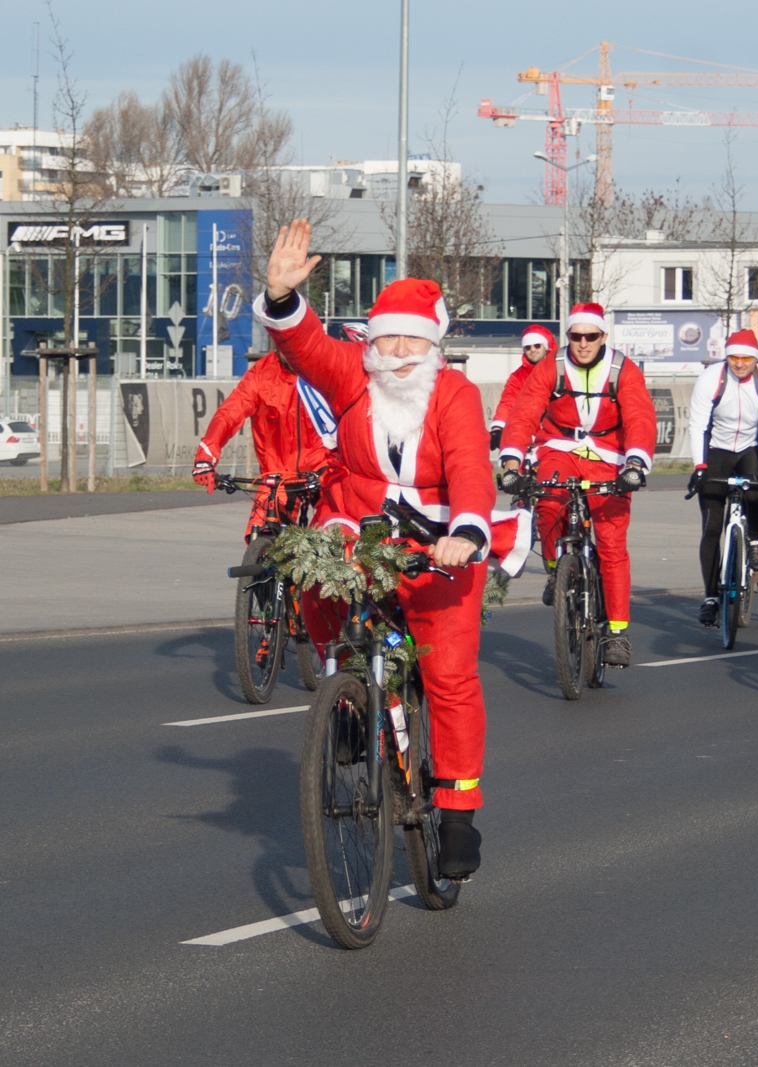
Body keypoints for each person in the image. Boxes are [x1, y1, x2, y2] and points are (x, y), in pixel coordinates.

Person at [254, 218, 496, 879]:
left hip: (439, 542)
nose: (397, 349)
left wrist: (468, 531)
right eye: (386, 335)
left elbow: (474, 465)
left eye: (412, 338)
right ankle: (350, 690)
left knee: (449, 674)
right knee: (315, 570)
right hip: (362, 530)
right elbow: (308, 347)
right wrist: (281, 299)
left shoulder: (455, 395)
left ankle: (455, 814)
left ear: (433, 344)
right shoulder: (354, 378)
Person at [498, 303, 657, 667]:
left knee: (612, 541)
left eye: (591, 337)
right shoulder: (550, 367)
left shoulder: (623, 370)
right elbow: (523, 413)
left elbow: (639, 416)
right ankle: (557, 571)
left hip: (609, 454)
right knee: (548, 502)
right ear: (567, 336)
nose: (583, 344)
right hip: (559, 447)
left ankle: (617, 632)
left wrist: (635, 463)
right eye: (575, 336)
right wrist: (511, 462)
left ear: (603, 336)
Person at [686, 328, 758, 625]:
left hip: (750, 447)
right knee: (711, 527)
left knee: (756, 491)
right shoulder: (710, 379)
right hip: (716, 449)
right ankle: (710, 596)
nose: (740, 363)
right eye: (734, 357)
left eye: (746, 358)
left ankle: (756, 539)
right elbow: (697, 426)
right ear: (726, 357)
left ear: (756, 359)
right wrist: (700, 466)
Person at [192, 348, 335, 540]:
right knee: (260, 530)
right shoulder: (261, 374)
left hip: (325, 467)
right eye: (283, 339)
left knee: (338, 529)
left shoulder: (327, 367)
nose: (289, 347)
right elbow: (229, 414)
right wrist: (205, 458)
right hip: (278, 472)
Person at [488, 324, 555, 452]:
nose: (533, 350)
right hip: (529, 436)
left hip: (556, 436)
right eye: (528, 347)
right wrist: (498, 428)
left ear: (546, 347)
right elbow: (508, 402)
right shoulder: (517, 377)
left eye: (537, 345)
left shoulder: (559, 371)